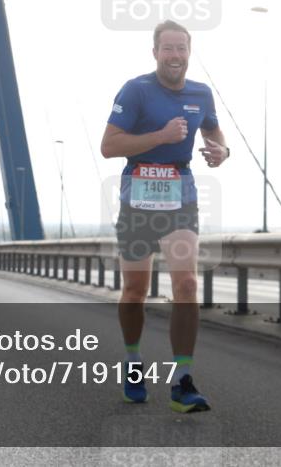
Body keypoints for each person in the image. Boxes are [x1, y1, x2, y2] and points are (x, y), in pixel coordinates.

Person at [100, 20, 229, 413]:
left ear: (189, 52)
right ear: (154, 52)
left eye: (181, 48)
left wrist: (222, 152)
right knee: (135, 290)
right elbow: (109, 146)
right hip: (138, 197)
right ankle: (134, 362)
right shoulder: (136, 90)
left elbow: (215, 135)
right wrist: (160, 136)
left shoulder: (201, 93)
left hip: (180, 195)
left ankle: (182, 381)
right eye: (167, 49)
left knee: (187, 283)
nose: (175, 56)